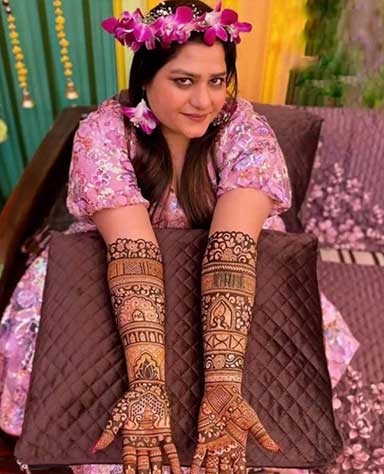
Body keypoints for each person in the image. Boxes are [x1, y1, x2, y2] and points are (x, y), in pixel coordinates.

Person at [0, 1, 360, 473]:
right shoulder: (104, 133)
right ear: (145, 80)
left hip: (227, 280)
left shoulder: (245, 131)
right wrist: (148, 385)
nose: (204, 101)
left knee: (269, 404)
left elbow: (231, 251)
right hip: (119, 275)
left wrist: (223, 387)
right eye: (184, 81)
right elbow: (133, 252)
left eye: (216, 81)